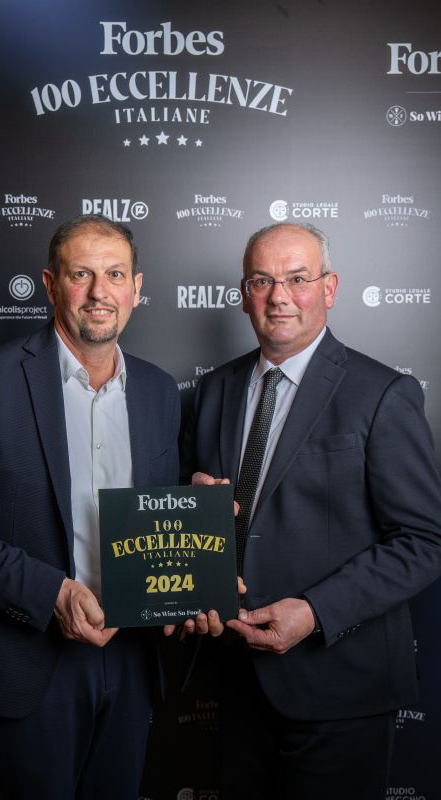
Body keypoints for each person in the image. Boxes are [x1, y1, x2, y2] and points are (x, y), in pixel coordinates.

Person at [0, 214, 180, 799]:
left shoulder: (160, 390)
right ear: (51, 285)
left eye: (115, 275)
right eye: (81, 274)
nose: (100, 292)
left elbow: (162, 515)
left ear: (137, 288)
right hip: (31, 654)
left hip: (132, 656)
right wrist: (51, 592)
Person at [181, 222, 441, 800]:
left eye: (297, 279)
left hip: (341, 684)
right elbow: (202, 512)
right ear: (244, 294)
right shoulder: (215, 390)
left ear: (330, 288)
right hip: (236, 678)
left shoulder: (382, 393)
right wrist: (193, 496)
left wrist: (317, 612)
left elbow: (424, 541)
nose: (279, 296)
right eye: (262, 281)